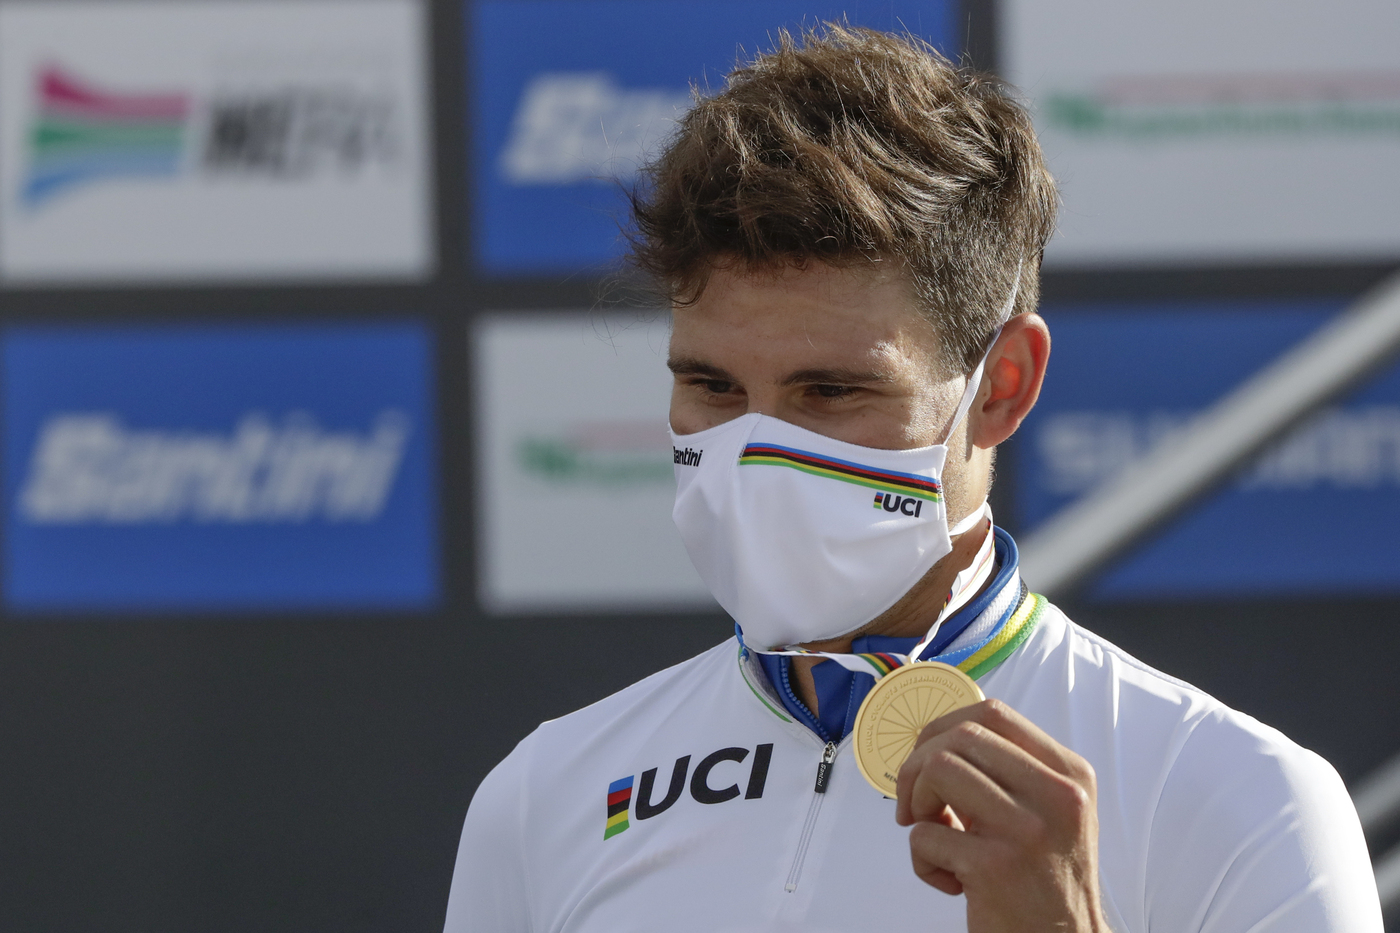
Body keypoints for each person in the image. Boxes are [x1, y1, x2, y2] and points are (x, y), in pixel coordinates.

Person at [443, 25, 1382, 933]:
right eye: (712, 385)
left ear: (1000, 387)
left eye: (832, 390)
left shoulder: (1240, 797)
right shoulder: (545, 796)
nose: (757, 458)